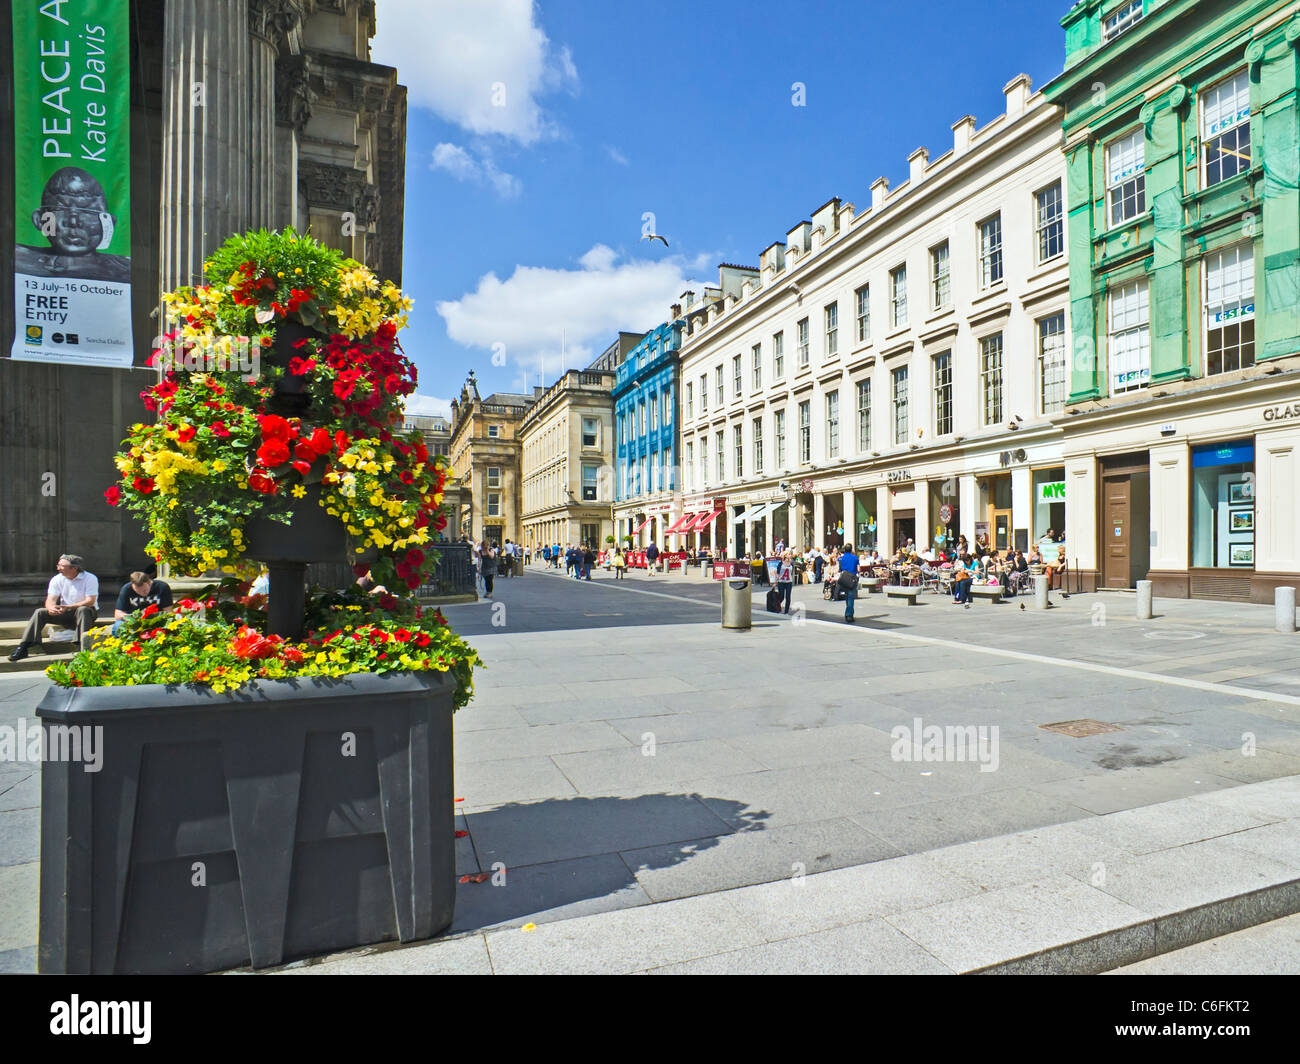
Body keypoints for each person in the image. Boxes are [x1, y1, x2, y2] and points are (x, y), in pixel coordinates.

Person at [14, 167, 131, 282]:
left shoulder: (126, 269)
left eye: (87, 211)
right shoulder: (18, 258)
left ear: (109, 222)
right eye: (60, 209)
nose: (73, 222)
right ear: (39, 220)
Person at [10, 554, 99, 661]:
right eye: (58, 565)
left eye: (61, 566)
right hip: (65, 612)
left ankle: (82, 647)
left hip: (86, 613)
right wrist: (51, 607)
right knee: (40, 612)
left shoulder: (90, 578)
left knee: (83, 609)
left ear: (74, 568)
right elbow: (50, 600)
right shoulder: (57, 579)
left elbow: (90, 601)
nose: (58, 568)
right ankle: (24, 646)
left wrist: (69, 607)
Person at [839, 542, 860, 623]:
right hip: (852, 578)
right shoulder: (855, 558)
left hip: (844, 577)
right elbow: (858, 569)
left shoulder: (842, 558)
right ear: (851, 549)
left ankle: (848, 611)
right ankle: (849, 614)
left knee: (847, 596)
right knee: (851, 597)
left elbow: (840, 569)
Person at [775, 549, 794, 614]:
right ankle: (776, 607)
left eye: (790, 554)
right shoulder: (781, 563)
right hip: (781, 582)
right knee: (781, 597)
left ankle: (786, 612)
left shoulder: (791, 563)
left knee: (788, 597)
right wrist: (775, 582)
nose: (790, 555)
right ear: (785, 555)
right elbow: (777, 573)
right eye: (789, 554)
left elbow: (791, 573)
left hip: (789, 582)